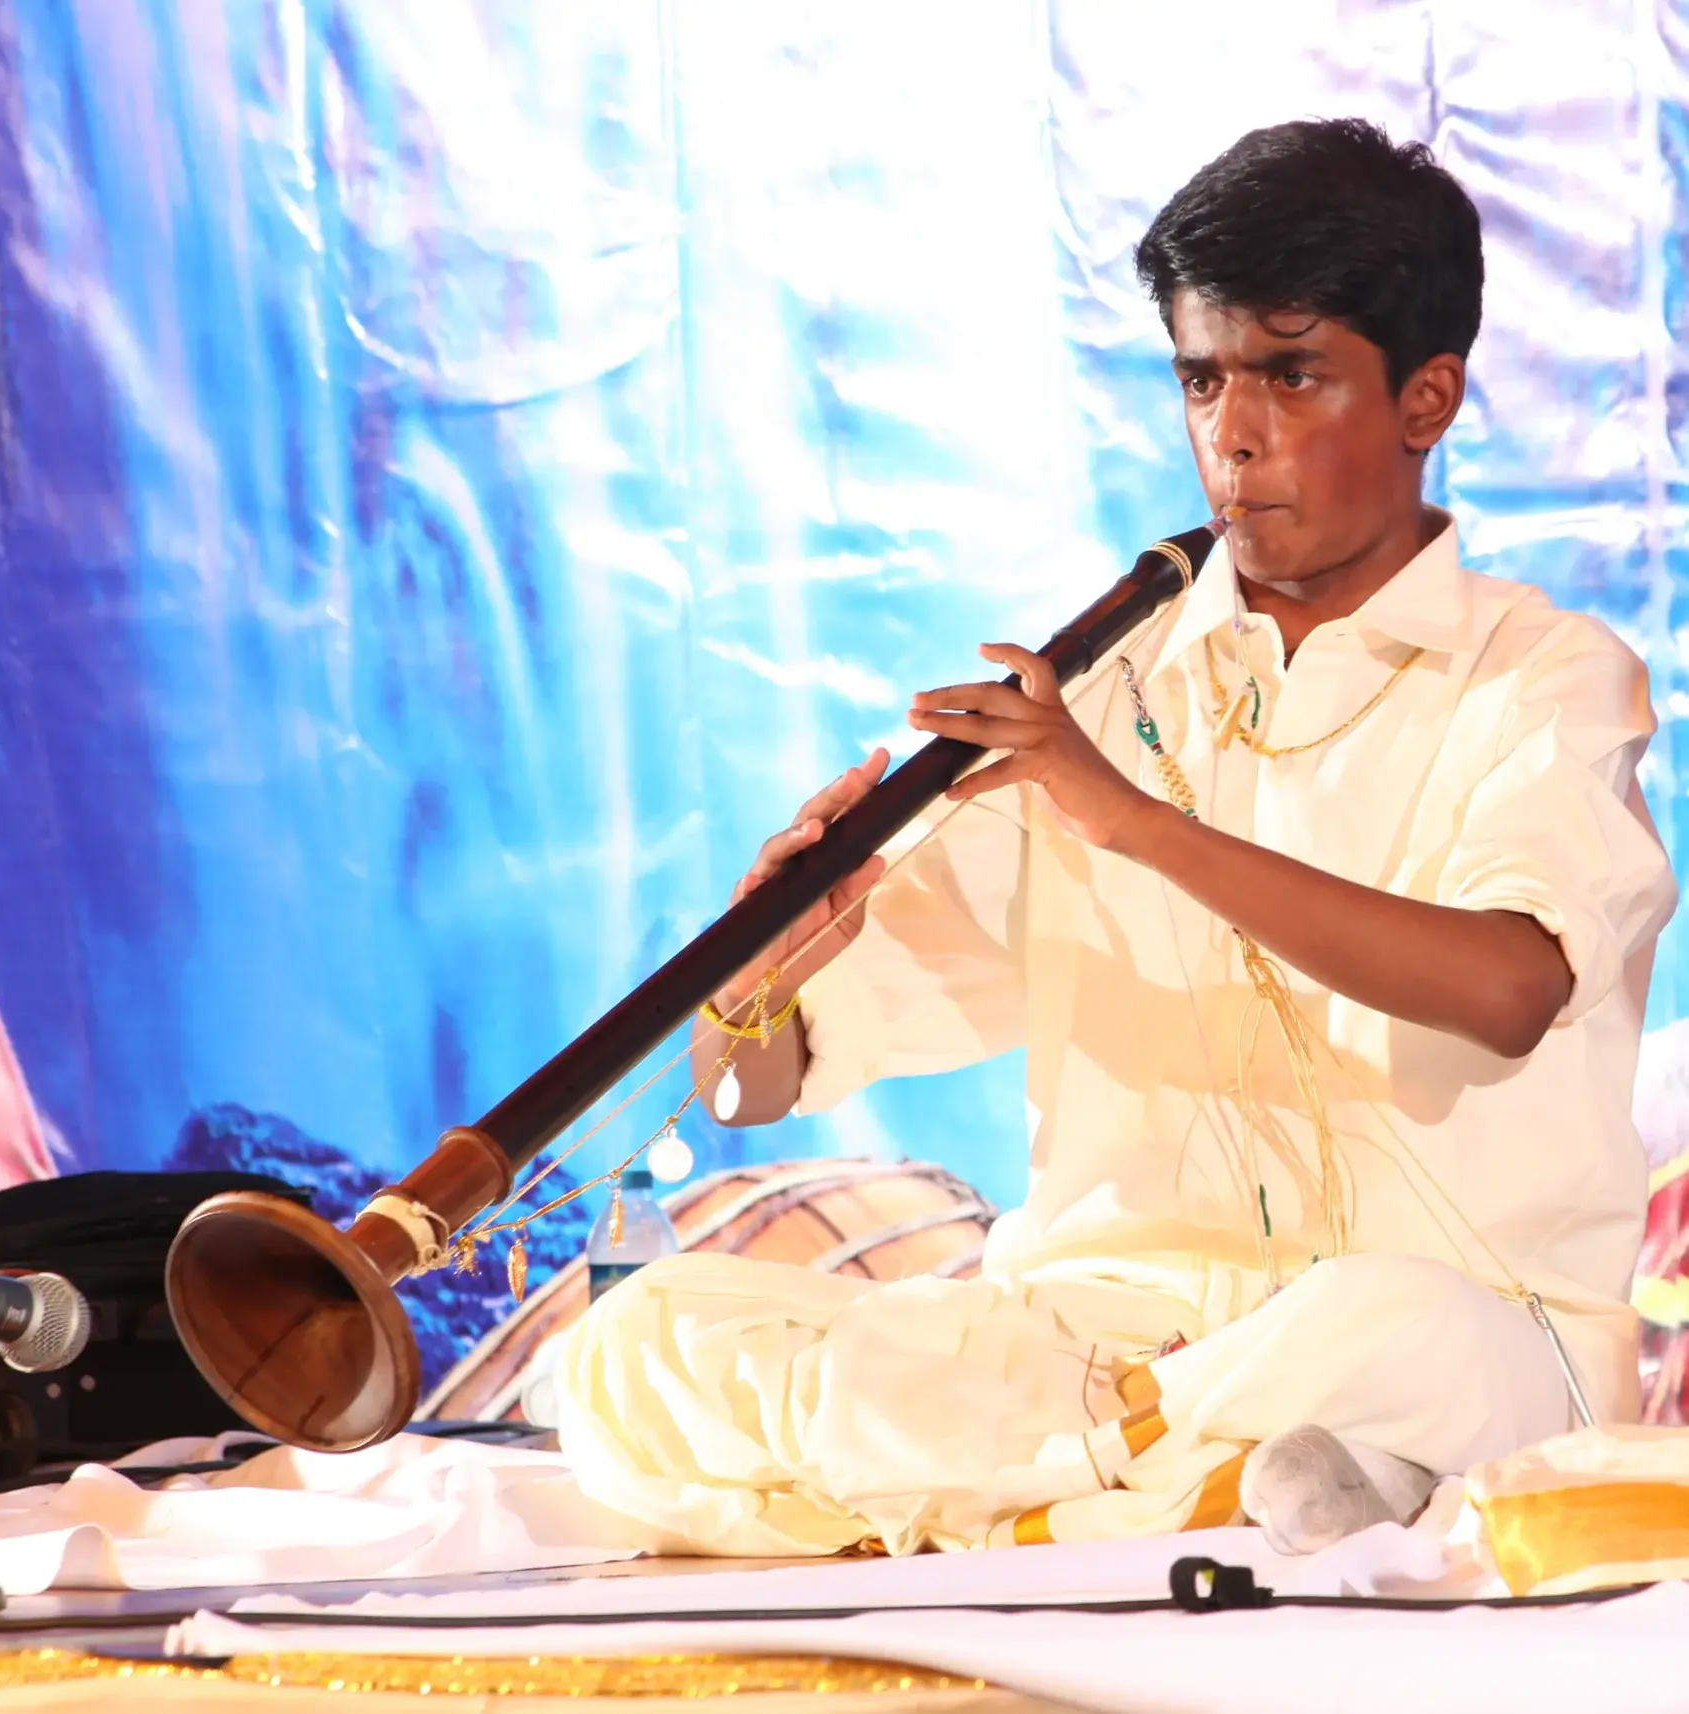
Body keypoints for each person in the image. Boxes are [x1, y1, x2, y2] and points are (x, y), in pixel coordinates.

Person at [553, 119, 1678, 1557]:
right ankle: (1153, 1487)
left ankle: (1024, 1492)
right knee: (639, 1343)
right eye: (1201, 378)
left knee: (1410, 1335)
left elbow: (1507, 984)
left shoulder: (1542, 676)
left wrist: (1129, 820)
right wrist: (764, 961)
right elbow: (752, 1080)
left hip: (1428, 1325)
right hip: (1097, 1340)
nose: (1234, 433)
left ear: (1425, 397)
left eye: (1289, 373)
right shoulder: (1102, 694)